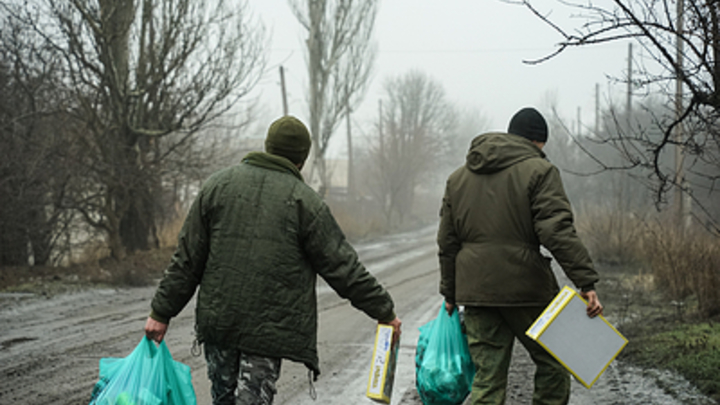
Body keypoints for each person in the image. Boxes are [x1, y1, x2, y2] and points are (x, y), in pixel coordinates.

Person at [144, 115, 402, 405]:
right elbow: (343, 268)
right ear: (301, 160)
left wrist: (161, 312)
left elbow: (187, 259)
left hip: (220, 324)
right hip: (268, 331)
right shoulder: (306, 202)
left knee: (224, 400)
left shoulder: (216, 187)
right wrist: (384, 310)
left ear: (268, 146)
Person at [437, 107, 602, 405]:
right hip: (526, 289)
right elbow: (556, 231)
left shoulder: (458, 178)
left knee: (486, 380)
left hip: (476, 293)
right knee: (554, 362)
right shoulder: (541, 171)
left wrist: (450, 291)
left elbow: (447, 243)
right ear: (538, 142)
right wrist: (586, 282)